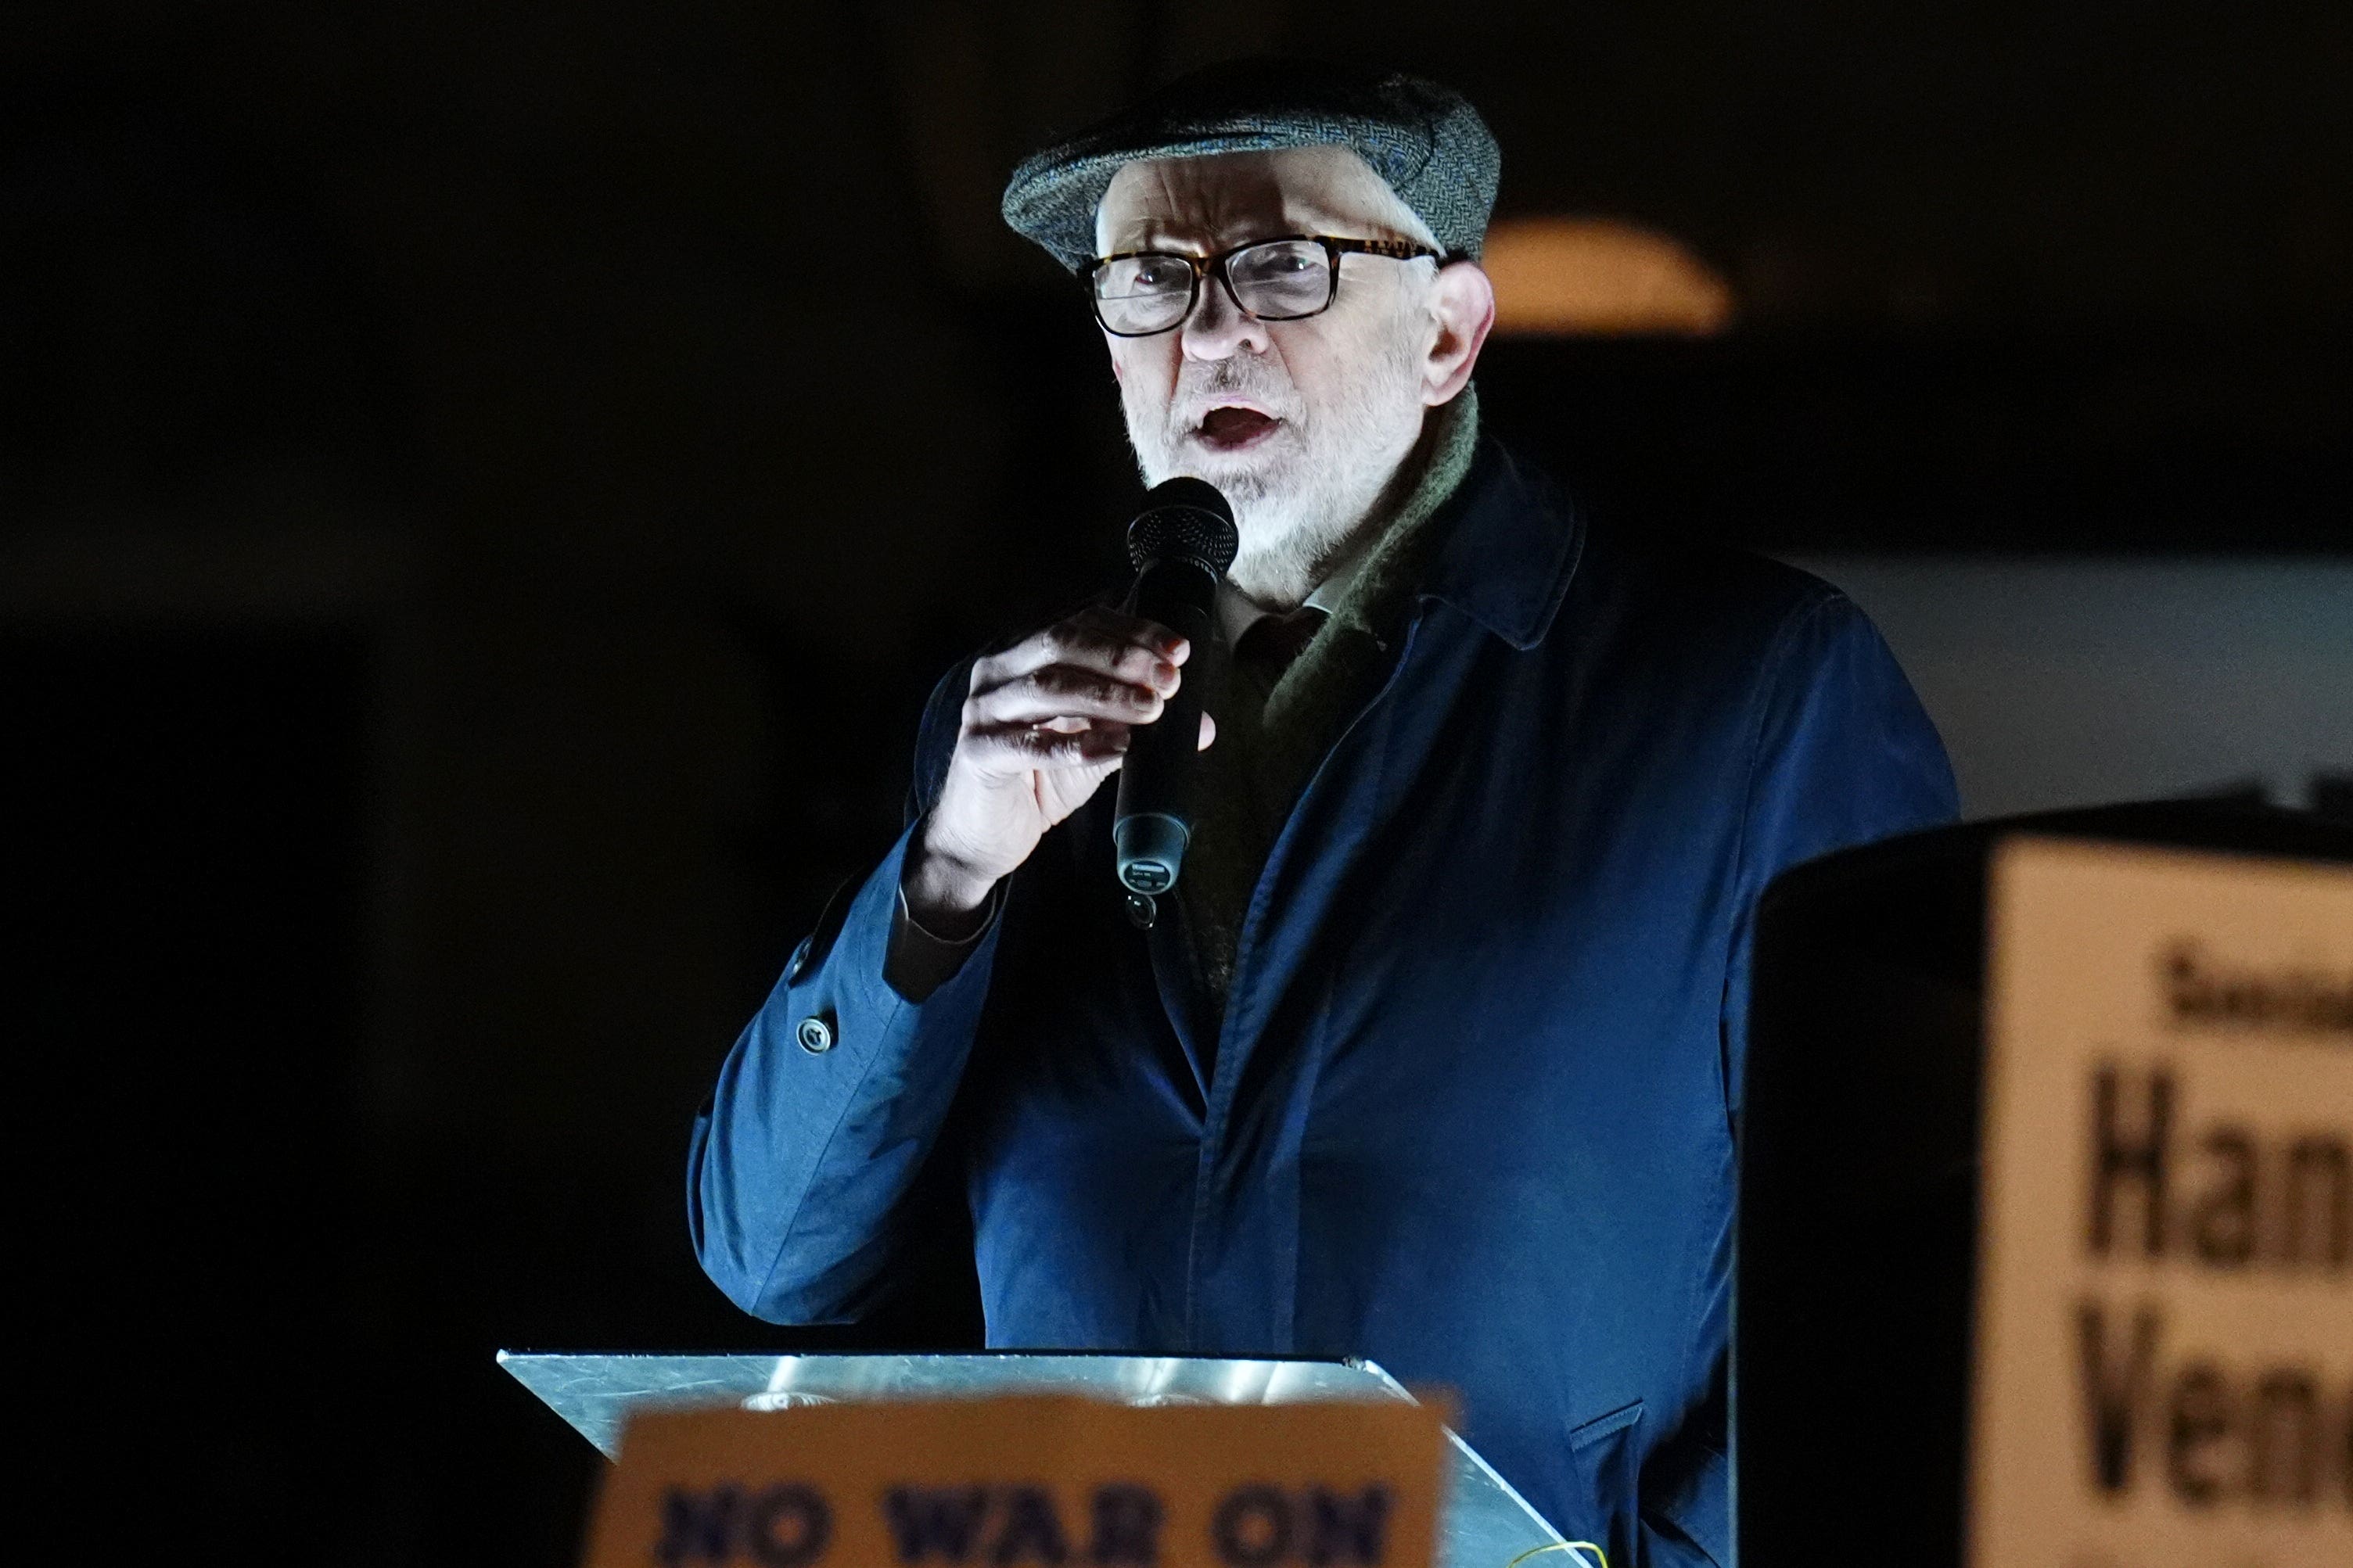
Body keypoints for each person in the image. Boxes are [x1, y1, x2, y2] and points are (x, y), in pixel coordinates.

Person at [689, 60, 1956, 1566]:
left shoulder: (1753, 697)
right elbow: (775, 1256)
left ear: (1446, 333)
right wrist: (945, 879)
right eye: (1150, 276)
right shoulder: (1012, 739)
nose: (1210, 327)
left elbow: (1909, 1306)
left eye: (1285, 261)